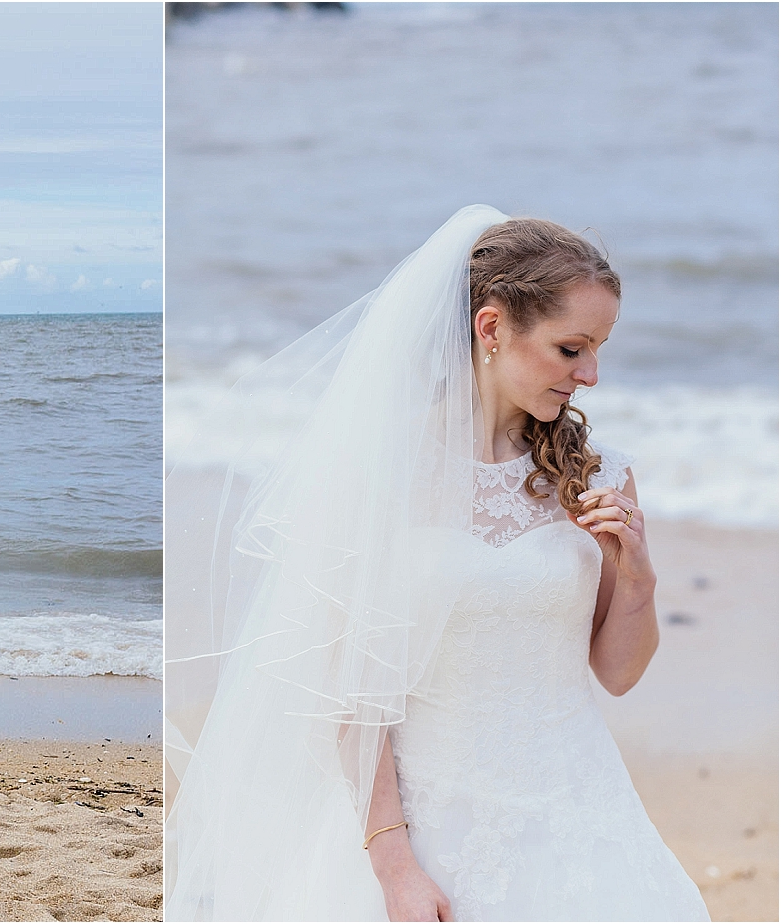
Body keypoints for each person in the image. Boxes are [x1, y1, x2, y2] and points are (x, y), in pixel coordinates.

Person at [163, 206, 708, 921]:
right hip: (424, 831)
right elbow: (349, 697)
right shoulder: (379, 472)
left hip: (580, 812)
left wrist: (637, 576)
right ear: (492, 328)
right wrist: (395, 868)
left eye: (599, 349)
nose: (592, 374)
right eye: (571, 348)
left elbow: (618, 672)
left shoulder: (600, 476)